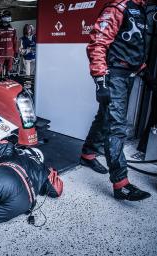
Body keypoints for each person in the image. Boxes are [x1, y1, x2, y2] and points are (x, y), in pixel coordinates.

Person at [81, 0, 151, 201]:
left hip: (127, 76)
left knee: (105, 117)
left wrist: (144, 71)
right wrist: (100, 81)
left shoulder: (140, 9)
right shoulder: (118, 7)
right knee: (117, 127)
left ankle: (87, 155)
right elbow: (97, 44)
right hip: (114, 77)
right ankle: (121, 184)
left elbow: (129, 47)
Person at [0, 10, 18, 78]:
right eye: (5, 16)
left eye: (8, 16)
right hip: (0, 55)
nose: (7, 18)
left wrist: (16, 53)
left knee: (9, 73)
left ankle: (9, 87)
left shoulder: (13, 30)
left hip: (10, 55)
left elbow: (15, 42)